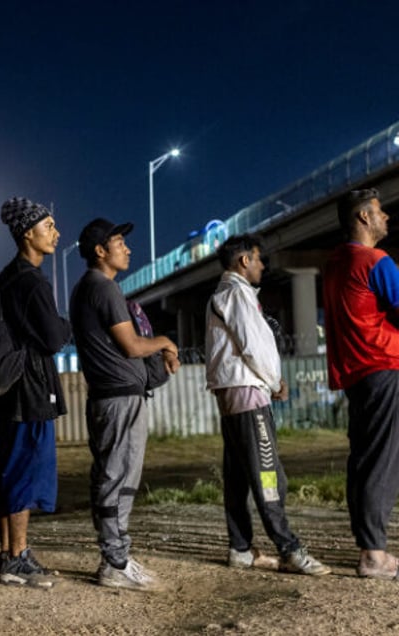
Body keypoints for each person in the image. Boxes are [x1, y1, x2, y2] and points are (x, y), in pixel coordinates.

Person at [206, 234, 330, 576]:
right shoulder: (236, 294)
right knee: (268, 475)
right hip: (248, 393)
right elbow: (252, 345)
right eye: (258, 259)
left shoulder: (229, 293)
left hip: (235, 392)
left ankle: (241, 548)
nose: (262, 265)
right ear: (244, 260)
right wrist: (275, 382)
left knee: (238, 476)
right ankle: (289, 548)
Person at [69, 218, 179, 591]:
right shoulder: (104, 289)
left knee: (115, 476)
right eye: (119, 242)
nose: (127, 248)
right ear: (100, 251)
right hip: (117, 400)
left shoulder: (91, 288)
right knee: (117, 478)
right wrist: (165, 341)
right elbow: (132, 346)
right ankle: (114, 561)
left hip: (114, 398)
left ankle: (117, 555)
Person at [0, 197, 71, 588]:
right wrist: (66, 325)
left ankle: (8, 553)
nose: (55, 233)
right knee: (25, 469)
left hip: (7, 386)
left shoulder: (6, 276)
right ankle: (18, 557)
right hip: (32, 386)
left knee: (7, 467)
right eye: (49, 226)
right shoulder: (33, 280)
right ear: (28, 233)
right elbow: (54, 338)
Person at [323, 188, 399, 580]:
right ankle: (374, 553)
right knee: (383, 459)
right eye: (380, 211)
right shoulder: (376, 261)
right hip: (384, 364)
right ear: (364, 218)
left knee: (364, 457)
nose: (386, 217)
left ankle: (368, 542)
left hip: (355, 372)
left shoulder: (334, 264)